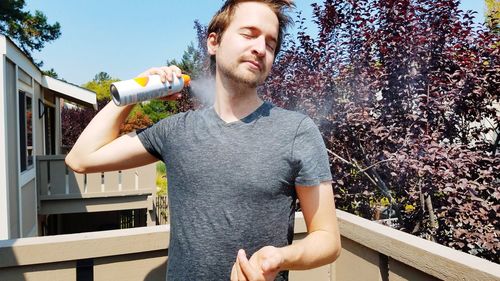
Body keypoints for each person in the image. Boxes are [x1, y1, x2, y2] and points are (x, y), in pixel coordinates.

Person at [65, 0, 341, 280]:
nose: (260, 48)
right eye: (248, 34)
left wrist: (280, 257)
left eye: (270, 44)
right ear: (213, 42)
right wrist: (138, 91)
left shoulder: (297, 131)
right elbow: (80, 158)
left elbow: (328, 239)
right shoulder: (174, 132)